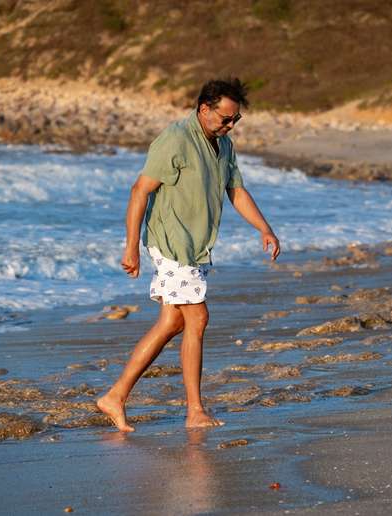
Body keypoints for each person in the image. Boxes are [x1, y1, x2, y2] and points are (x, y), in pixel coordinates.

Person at [97, 78, 281, 432]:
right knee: (197, 320)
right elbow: (140, 191)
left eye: (235, 120)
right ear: (204, 109)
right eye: (225, 118)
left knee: (172, 323)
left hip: (195, 247)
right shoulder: (175, 139)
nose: (229, 125)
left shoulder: (224, 145)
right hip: (171, 243)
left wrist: (264, 228)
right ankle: (195, 410)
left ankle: (115, 396)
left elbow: (236, 190)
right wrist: (131, 246)